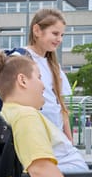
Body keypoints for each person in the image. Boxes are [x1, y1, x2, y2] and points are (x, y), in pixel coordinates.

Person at [25, 8, 73, 142]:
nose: (59, 39)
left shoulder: (54, 66)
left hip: (55, 138)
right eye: (55, 33)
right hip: (34, 138)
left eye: (62, 35)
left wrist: (69, 142)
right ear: (37, 31)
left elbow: (61, 107)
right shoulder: (21, 59)